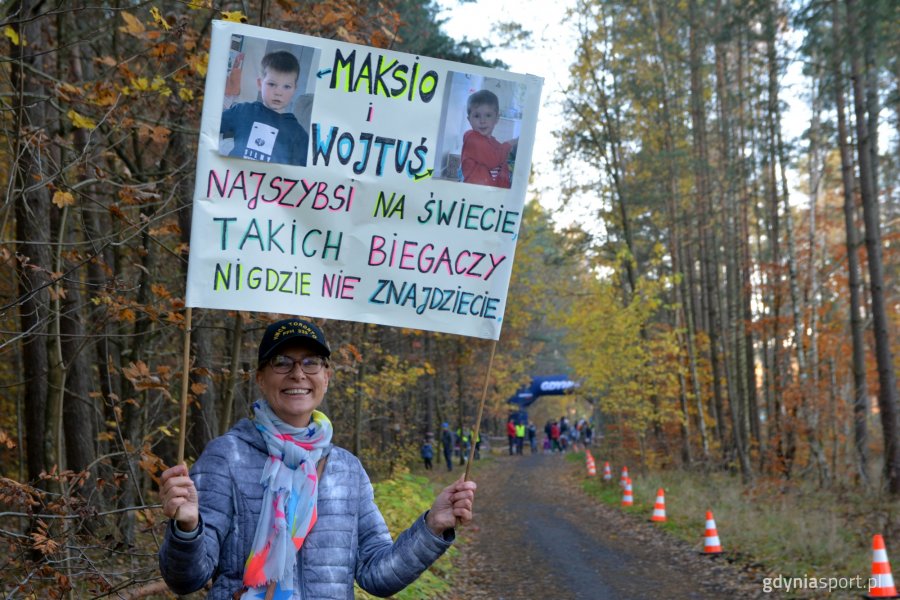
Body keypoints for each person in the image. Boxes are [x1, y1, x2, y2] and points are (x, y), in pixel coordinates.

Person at [158, 318, 476, 599]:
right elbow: (187, 579)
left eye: (311, 362)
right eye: (281, 362)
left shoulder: (347, 469)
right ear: (259, 377)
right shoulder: (226, 457)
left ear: (326, 376)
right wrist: (186, 529)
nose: (298, 373)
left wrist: (432, 528)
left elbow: (377, 575)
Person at [220, 50, 309, 166]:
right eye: (272, 84)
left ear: (294, 89)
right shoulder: (243, 111)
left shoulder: (298, 134)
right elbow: (210, 124)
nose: (278, 92)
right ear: (260, 84)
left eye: (287, 86)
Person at [460, 89, 517, 188]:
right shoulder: (471, 138)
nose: (482, 121)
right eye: (477, 116)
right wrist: (510, 144)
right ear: (469, 120)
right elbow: (494, 160)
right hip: (473, 195)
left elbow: (503, 171)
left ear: (496, 118)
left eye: (488, 115)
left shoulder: (495, 144)